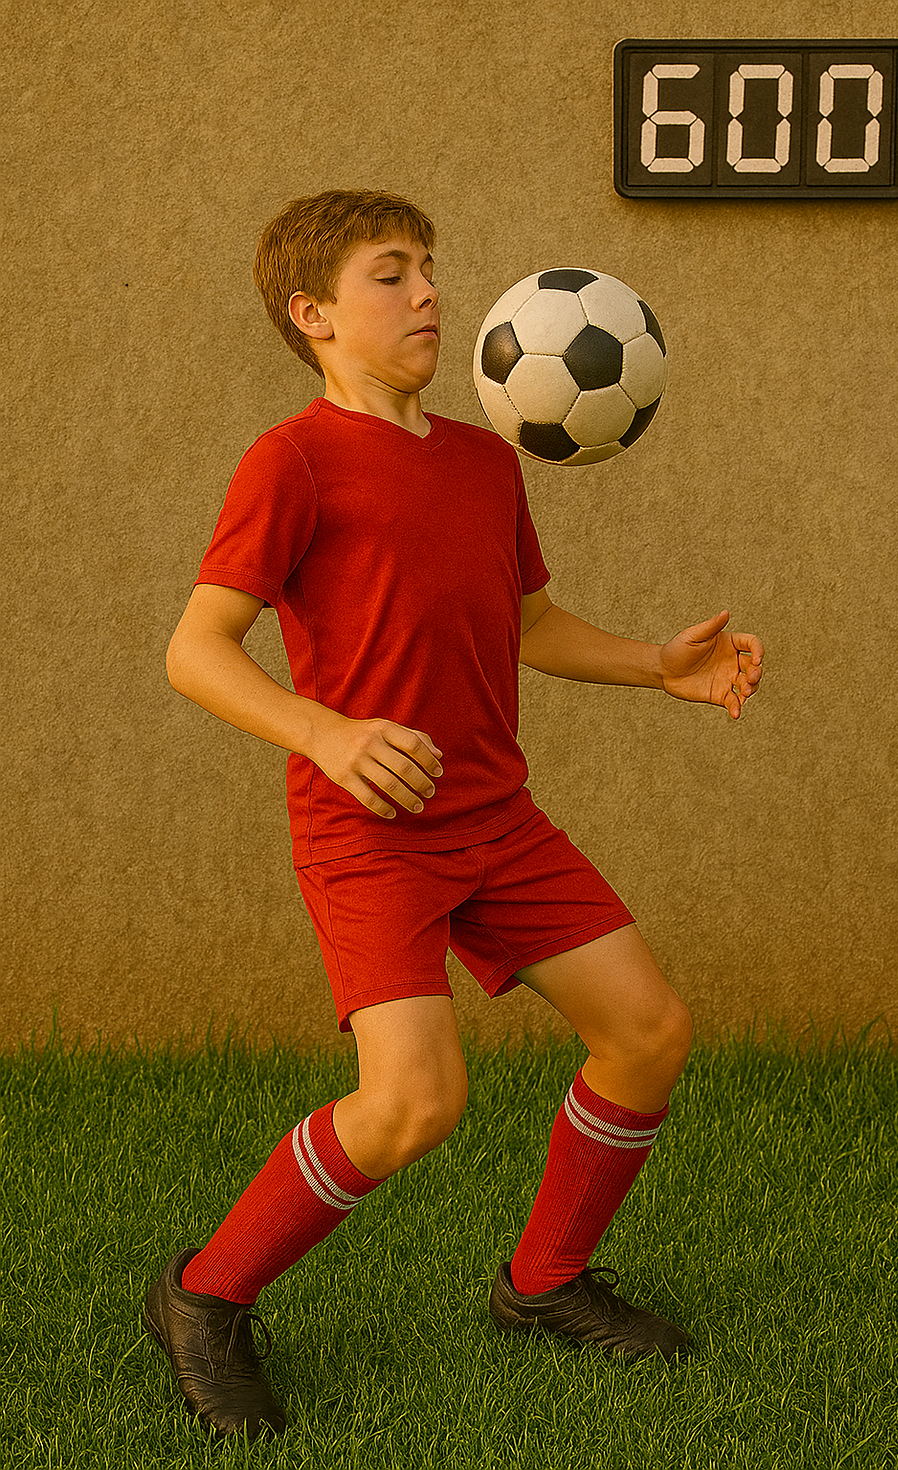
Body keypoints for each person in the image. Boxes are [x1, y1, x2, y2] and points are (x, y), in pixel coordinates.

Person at [144, 189, 764, 1440]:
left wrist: (657, 665)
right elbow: (194, 651)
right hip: (369, 833)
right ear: (312, 315)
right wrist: (325, 731)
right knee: (413, 1105)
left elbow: (526, 623)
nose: (428, 293)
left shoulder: (486, 459)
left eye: (429, 267)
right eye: (391, 274)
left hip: (498, 818)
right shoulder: (291, 461)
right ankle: (203, 1296)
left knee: (646, 1032)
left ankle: (542, 1284)